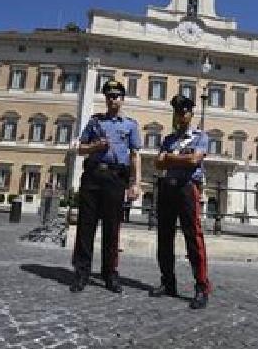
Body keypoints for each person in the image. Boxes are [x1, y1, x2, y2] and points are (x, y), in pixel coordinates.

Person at [70, 80, 141, 293]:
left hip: (115, 178)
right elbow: (80, 149)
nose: (113, 99)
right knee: (86, 226)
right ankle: (81, 273)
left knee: (112, 228)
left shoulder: (130, 125)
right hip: (93, 176)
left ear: (122, 98)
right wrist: (95, 146)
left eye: (117, 95)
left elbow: (135, 155)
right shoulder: (94, 122)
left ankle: (110, 273)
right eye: (109, 95)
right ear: (105, 98)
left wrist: (135, 183)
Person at [150, 94, 211, 309]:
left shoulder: (200, 137)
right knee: (164, 237)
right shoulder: (168, 139)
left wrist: (171, 158)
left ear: (191, 113)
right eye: (177, 111)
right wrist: (179, 158)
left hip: (187, 188)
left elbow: (195, 160)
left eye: (185, 111)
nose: (181, 115)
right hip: (168, 187)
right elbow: (158, 163)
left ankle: (202, 286)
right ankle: (168, 282)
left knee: (193, 237)